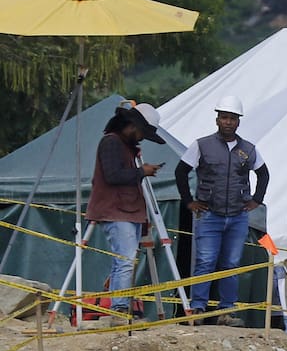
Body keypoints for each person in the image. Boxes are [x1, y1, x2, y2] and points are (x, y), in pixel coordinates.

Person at [174, 96, 268, 322]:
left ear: (238, 121)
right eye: (224, 117)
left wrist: (256, 200)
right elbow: (180, 172)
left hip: (237, 215)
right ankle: (198, 309)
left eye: (232, 118)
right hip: (209, 214)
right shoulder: (201, 145)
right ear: (217, 119)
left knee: (231, 264)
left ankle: (227, 310)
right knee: (205, 261)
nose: (228, 122)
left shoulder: (248, 149)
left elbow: (263, 174)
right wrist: (189, 202)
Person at [84, 102, 165, 326]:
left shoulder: (127, 147)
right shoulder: (111, 142)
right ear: (131, 126)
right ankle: (119, 310)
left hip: (128, 211)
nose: (140, 138)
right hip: (115, 210)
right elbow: (112, 175)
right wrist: (142, 172)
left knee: (124, 261)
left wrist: (141, 170)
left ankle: (122, 306)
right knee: (125, 261)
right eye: (141, 133)